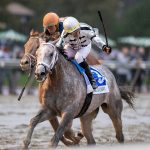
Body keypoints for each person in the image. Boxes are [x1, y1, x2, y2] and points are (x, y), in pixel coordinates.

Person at [56, 17, 111, 89]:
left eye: (78, 30)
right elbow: (59, 45)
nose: (77, 33)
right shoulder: (64, 34)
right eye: (74, 32)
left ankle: (92, 80)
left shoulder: (86, 29)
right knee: (63, 57)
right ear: (68, 32)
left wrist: (104, 46)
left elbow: (95, 39)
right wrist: (59, 48)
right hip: (72, 47)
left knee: (78, 57)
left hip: (84, 47)